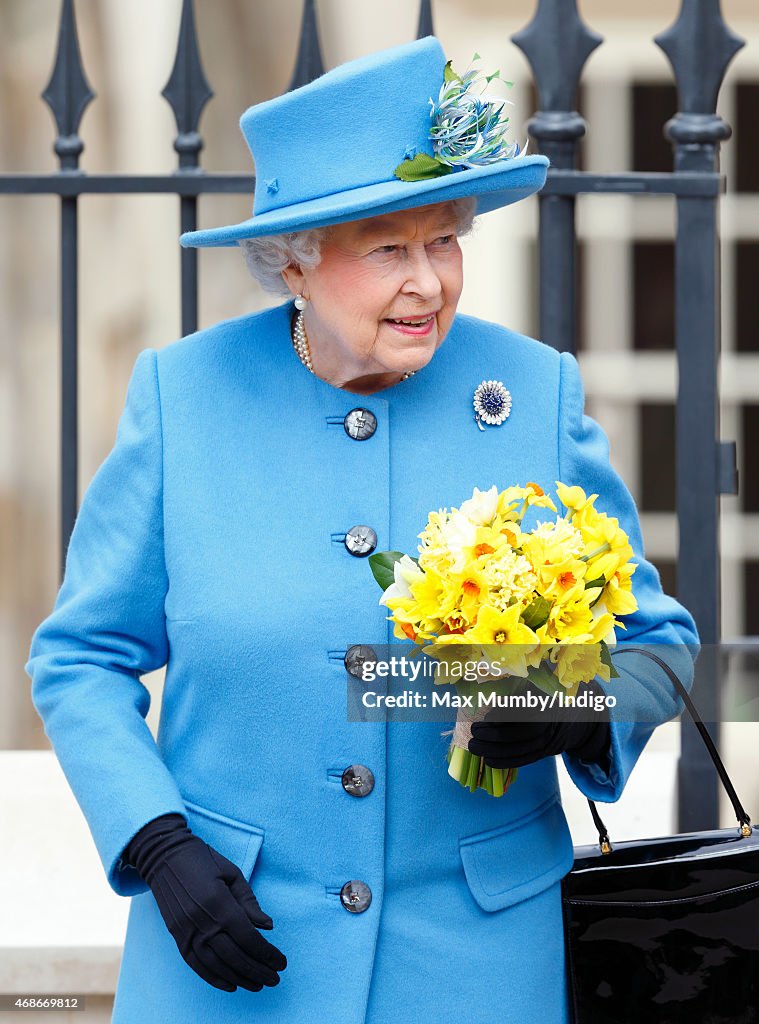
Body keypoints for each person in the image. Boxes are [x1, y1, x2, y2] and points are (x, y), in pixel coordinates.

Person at [25, 35, 699, 1024]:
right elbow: (80, 656)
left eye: (445, 240)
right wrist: (157, 842)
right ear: (296, 261)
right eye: (389, 248)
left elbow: (662, 647)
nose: (427, 281)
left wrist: (578, 703)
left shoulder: (533, 393)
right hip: (233, 951)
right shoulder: (186, 399)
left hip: (480, 965)